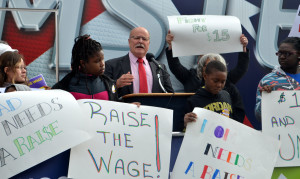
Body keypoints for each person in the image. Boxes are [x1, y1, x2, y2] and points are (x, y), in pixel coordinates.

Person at [166, 31, 248, 123]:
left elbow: (241, 68)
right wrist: (171, 46)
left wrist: (243, 47)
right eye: (208, 65)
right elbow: (175, 66)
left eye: (216, 65)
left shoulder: (228, 85)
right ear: (202, 69)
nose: (219, 84)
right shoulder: (190, 78)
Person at [105, 27, 174, 97]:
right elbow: (103, 92)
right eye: (137, 38)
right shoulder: (111, 65)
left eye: (144, 39)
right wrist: (116, 84)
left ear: (148, 43)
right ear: (129, 42)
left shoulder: (160, 67)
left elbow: (170, 95)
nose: (140, 41)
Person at [52, 34, 118, 101]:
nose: (102, 64)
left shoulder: (109, 84)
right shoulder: (63, 87)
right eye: (97, 61)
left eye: (102, 59)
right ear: (83, 63)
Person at [255, 37, 300, 122]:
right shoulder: (268, 81)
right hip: (283, 133)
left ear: (298, 55)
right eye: (279, 53)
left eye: (287, 54)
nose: (282, 57)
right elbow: (259, 116)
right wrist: (265, 100)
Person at [184, 60, 233, 127]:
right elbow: (185, 129)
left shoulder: (226, 96)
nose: (219, 85)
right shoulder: (193, 101)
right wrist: (185, 123)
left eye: (223, 82)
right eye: (215, 81)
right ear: (205, 76)